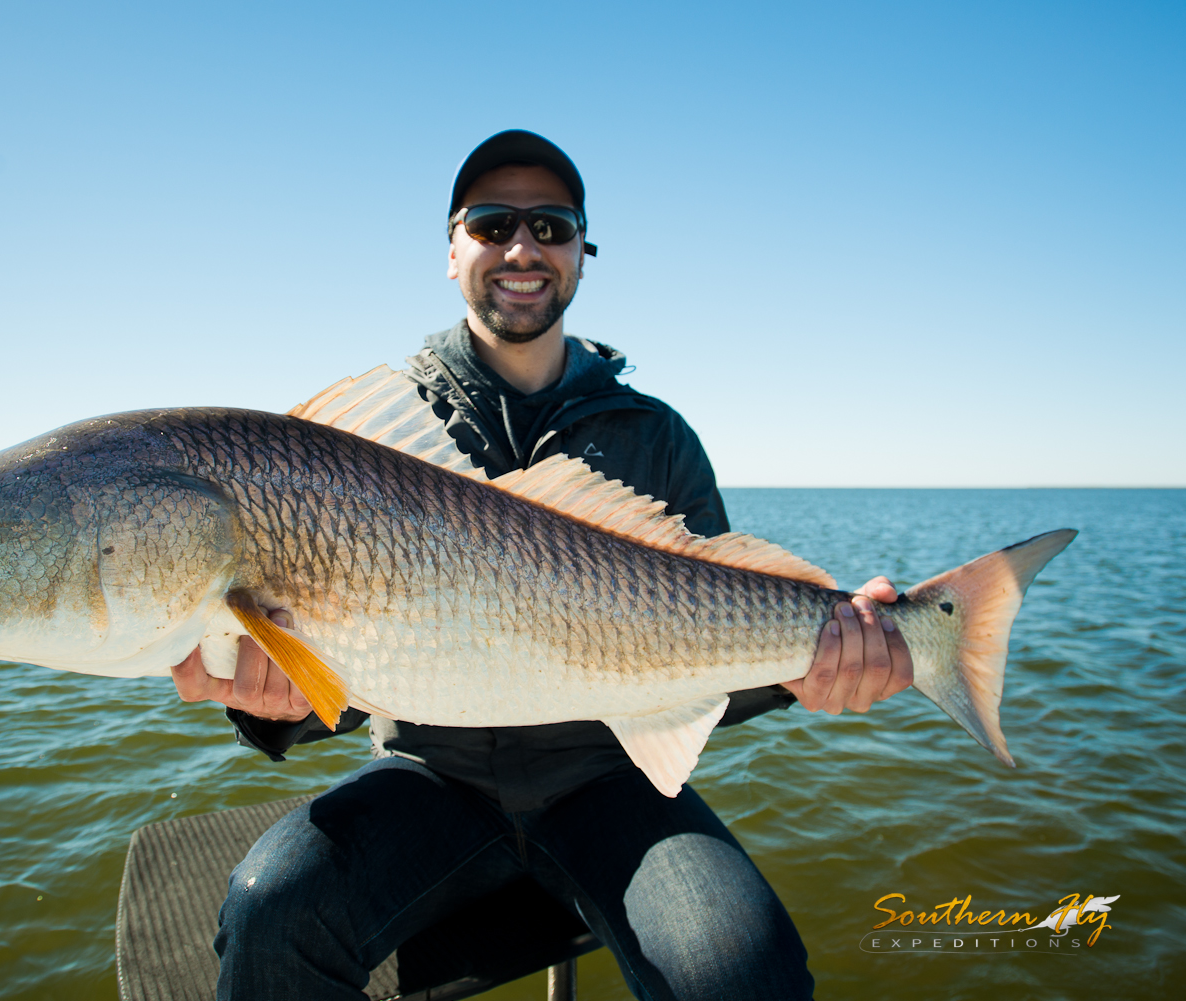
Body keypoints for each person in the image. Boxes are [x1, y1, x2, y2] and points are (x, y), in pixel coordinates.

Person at [171, 130, 914, 1000]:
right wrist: (273, 710)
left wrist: (807, 671)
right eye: (491, 223)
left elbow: (715, 651)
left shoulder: (656, 436)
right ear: (452, 252)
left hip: (611, 778)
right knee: (271, 912)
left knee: (744, 970)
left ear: (582, 255)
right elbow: (339, 664)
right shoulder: (366, 436)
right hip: (427, 774)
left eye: (552, 226)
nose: (522, 247)